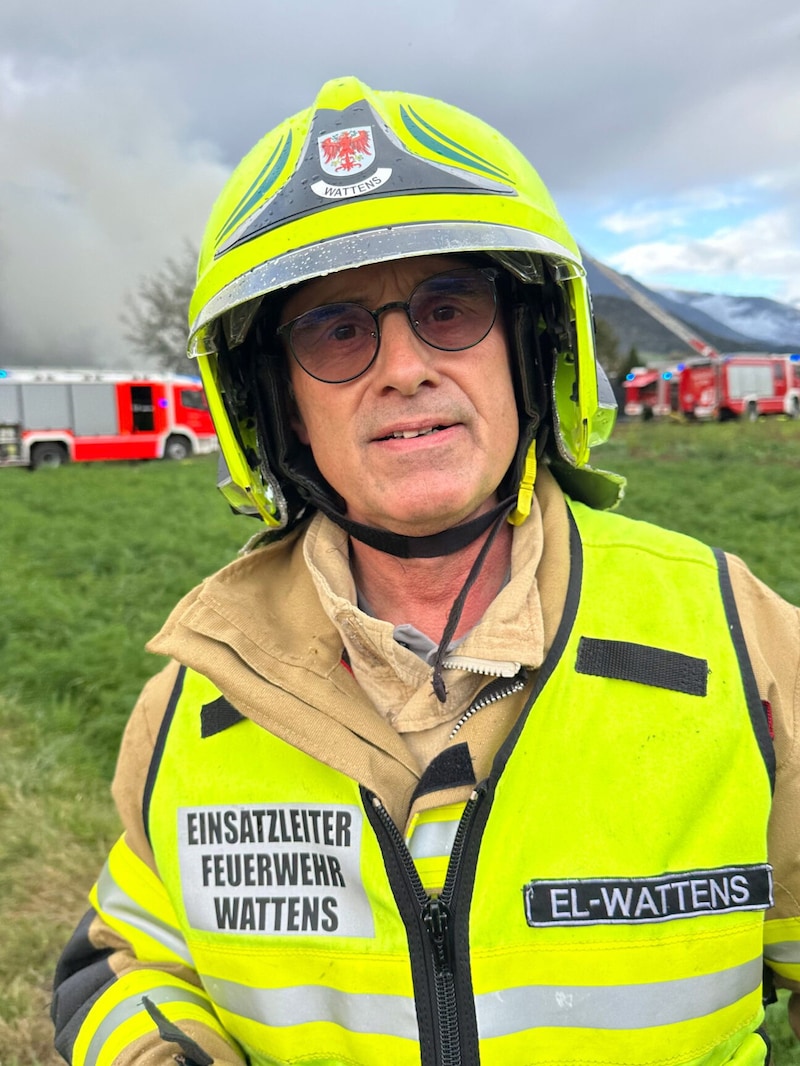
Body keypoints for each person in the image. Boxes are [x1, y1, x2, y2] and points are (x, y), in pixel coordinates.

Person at [52, 76, 800, 1066]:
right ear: (277, 406)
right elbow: (129, 957)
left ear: (531, 352)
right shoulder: (195, 700)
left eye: (447, 309)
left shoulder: (735, 639)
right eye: (336, 330)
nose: (402, 366)